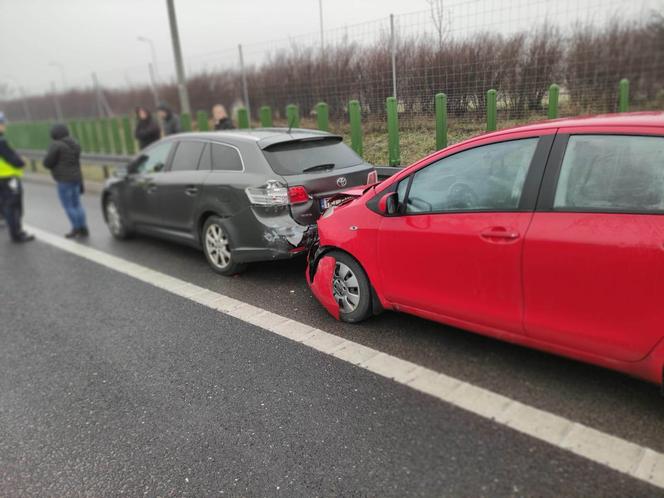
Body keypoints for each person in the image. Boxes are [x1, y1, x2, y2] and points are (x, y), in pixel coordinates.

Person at [43, 123, 89, 239]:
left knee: (68, 206)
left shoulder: (56, 145)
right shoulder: (75, 144)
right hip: (76, 178)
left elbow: (47, 163)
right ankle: (83, 227)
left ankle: (76, 228)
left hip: (64, 180)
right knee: (77, 204)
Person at [0, 112, 33, 243]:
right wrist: (22, 161)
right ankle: (17, 234)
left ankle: (15, 232)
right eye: (2, 123)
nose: (5, 126)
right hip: (9, 178)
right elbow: (13, 159)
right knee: (14, 206)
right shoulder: (1, 142)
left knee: (7, 204)